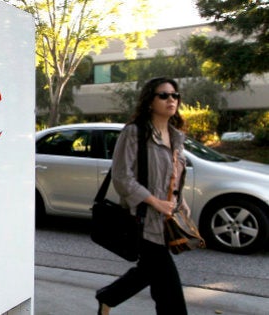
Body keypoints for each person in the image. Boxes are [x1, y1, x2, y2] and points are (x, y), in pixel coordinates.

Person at [95, 77, 189, 315]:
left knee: (149, 271)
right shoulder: (135, 133)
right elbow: (121, 177)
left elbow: (172, 177)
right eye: (164, 95)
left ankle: (107, 298)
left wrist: (180, 201)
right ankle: (107, 298)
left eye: (175, 95)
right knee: (170, 291)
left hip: (166, 220)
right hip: (143, 219)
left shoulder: (176, 136)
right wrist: (154, 201)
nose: (171, 100)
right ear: (150, 101)